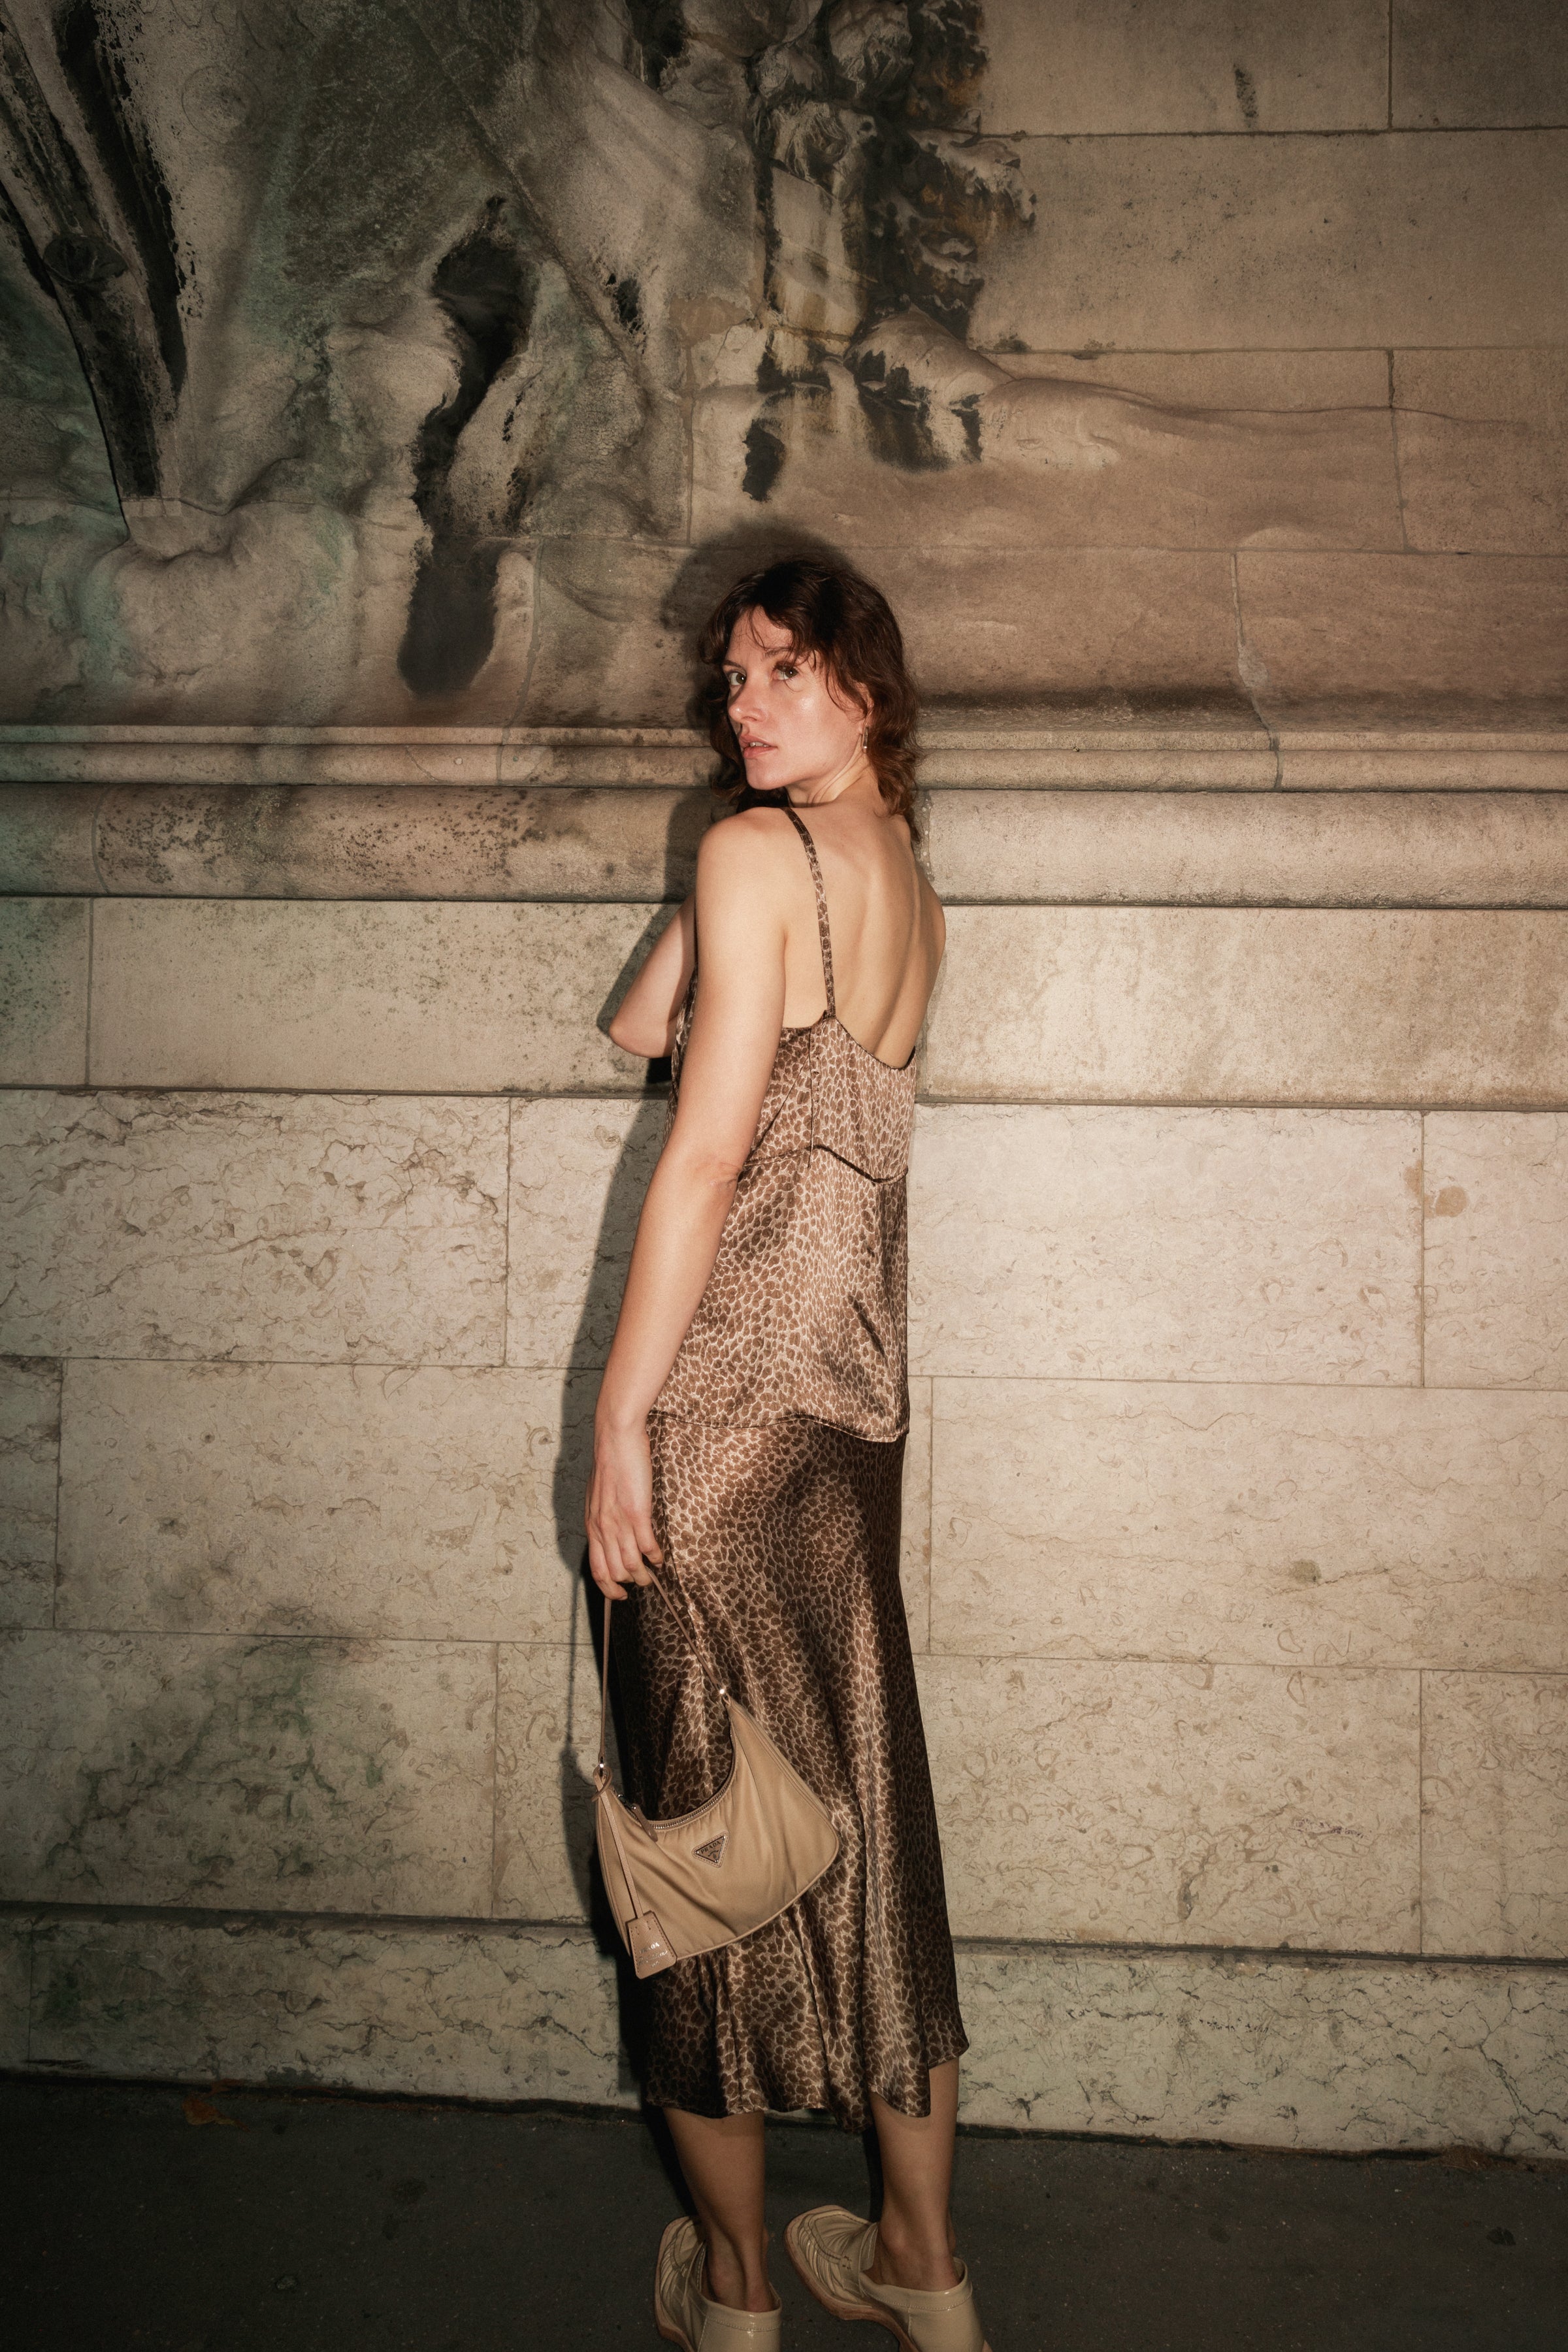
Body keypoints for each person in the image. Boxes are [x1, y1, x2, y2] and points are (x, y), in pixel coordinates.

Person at [585, 556, 987, 2352]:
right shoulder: (907, 887)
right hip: (850, 1430)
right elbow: (636, 1026)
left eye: (784, 672)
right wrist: (713, 857)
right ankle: (924, 2269)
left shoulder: (762, 865)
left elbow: (694, 1160)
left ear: (868, 689)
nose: (742, 704)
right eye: (732, 678)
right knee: (869, 1836)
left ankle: (738, 2294)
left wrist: (618, 1428)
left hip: (727, 1418)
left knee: (695, 1861)